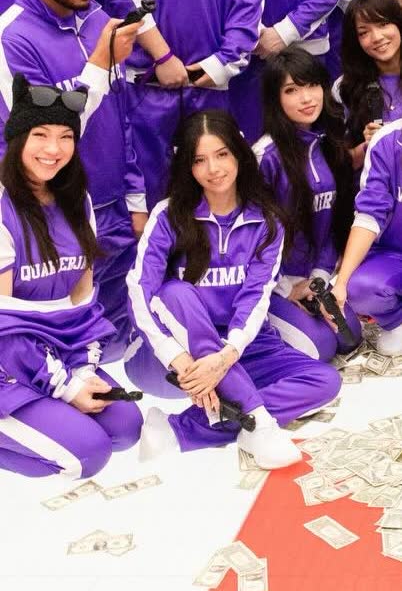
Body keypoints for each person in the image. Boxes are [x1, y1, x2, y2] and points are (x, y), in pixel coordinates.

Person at [124, 109, 341, 470]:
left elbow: (256, 297)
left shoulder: (267, 221)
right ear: (188, 167)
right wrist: (180, 359)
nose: (213, 169)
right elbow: (140, 292)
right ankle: (259, 424)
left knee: (324, 380)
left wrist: (225, 357)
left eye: (222, 154)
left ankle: (179, 428)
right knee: (176, 293)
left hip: (239, 347)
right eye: (199, 160)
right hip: (175, 354)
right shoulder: (168, 215)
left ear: (239, 154)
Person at [0, 73, 142, 478]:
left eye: (65, 137)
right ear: (18, 139)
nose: (54, 149)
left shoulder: (77, 199)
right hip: (7, 357)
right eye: (40, 135)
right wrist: (65, 387)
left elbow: (83, 301)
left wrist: (82, 368)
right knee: (87, 455)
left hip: (54, 352)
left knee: (125, 427)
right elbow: (5, 328)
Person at [0, 0, 147, 359]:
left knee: (110, 350)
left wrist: (135, 195)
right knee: (47, 346)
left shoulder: (98, 18)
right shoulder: (10, 37)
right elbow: (38, 134)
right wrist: (99, 65)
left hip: (114, 209)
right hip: (52, 216)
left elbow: (121, 114)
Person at [98, 0, 264, 210]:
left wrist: (221, 64)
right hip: (146, 88)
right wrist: (162, 56)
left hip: (210, 87)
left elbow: (248, 4)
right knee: (145, 198)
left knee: (217, 191)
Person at [254, 46, 361, 361]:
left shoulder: (328, 144)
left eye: (312, 85)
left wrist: (318, 278)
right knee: (319, 348)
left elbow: (330, 227)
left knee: (349, 336)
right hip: (272, 284)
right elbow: (250, 239)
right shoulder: (264, 157)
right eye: (292, 90)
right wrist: (285, 288)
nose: (306, 98)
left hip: (313, 277)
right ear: (275, 99)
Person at [229, 0, 345, 144]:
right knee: (251, 143)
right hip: (242, 53)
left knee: (317, 141)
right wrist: (247, 29)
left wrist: (286, 31)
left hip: (306, 46)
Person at [332, 118, 402, 356]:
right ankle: (396, 320)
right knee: (358, 288)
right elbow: (369, 214)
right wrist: (341, 283)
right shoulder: (388, 139)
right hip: (393, 256)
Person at [335, 0, 402, 170]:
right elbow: (341, 164)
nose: (377, 37)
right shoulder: (347, 87)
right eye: (364, 32)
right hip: (374, 182)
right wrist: (368, 145)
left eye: (383, 24)